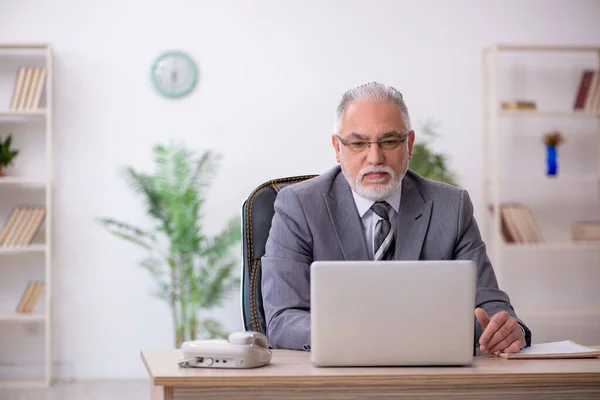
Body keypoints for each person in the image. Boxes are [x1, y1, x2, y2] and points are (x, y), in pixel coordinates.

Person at [260, 81, 531, 354]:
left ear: (409, 144)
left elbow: (488, 304)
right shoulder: (299, 206)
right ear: (337, 148)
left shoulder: (451, 207)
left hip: (428, 375)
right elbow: (283, 319)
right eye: (357, 143)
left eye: (389, 141)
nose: (375, 157)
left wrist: (508, 330)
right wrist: (366, 336)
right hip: (335, 373)